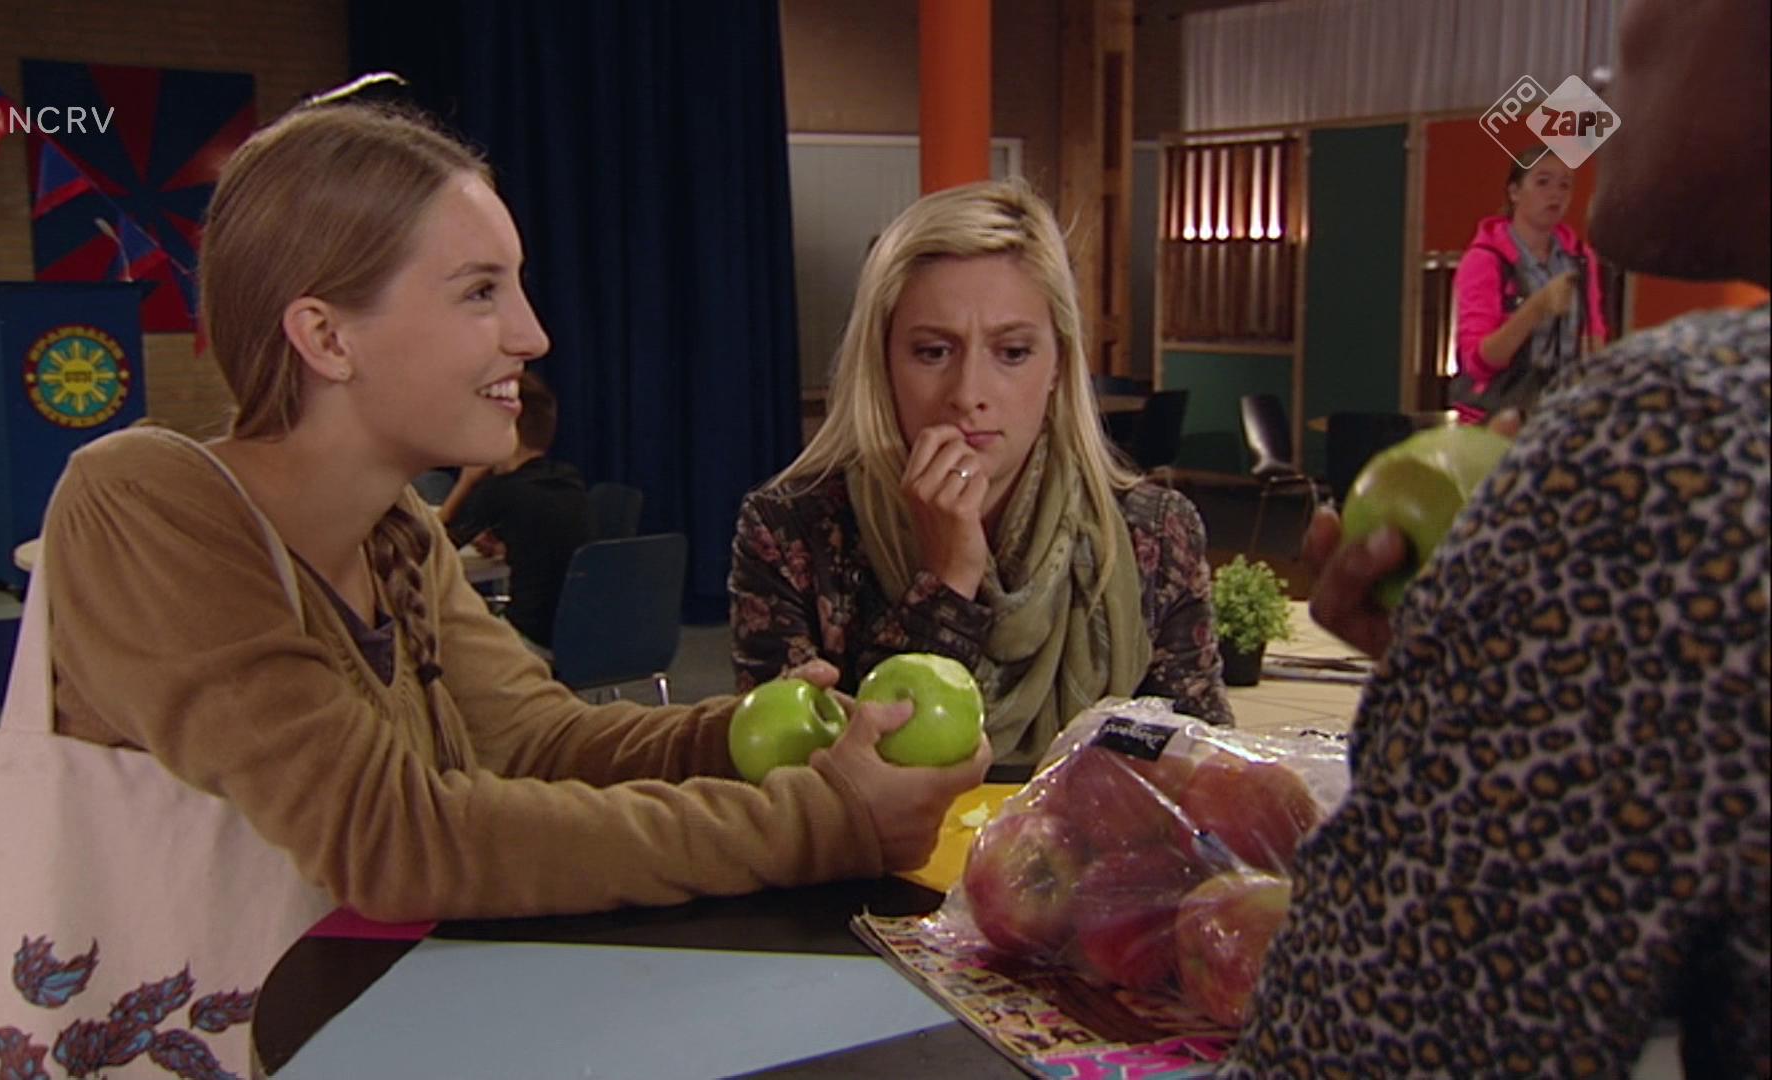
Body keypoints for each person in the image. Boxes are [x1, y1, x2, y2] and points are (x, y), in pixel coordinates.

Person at [38, 99, 990, 922]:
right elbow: (392, 839)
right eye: (480, 292)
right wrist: (825, 820)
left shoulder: (398, 534)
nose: (531, 334)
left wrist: (763, 736)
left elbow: (543, 743)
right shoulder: (142, 503)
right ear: (325, 337)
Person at [1223, 1, 1769, 1074]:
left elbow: (1374, 1041)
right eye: (1546, 179)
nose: (1624, 35)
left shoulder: (1679, 437)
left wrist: (1485, 708)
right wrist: (1497, 674)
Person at [729, 180, 1231, 768]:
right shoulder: (790, 529)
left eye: (1012, 352)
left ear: (1058, 365)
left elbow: (1200, 775)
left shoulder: (1156, 531)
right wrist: (946, 584)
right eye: (933, 352)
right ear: (883, 361)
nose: (968, 395)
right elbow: (801, 794)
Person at [1448, 152, 1610, 422]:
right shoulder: (1485, 260)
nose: (1555, 194)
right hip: (1498, 413)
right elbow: (1478, 362)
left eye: (1565, 185)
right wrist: (1536, 308)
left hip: (1563, 410)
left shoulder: (1581, 258)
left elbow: (1593, 335)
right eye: (1543, 182)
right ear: (1515, 192)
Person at [438, 370, 590, 647]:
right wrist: (507, 548)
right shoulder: (569, 479)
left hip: (529, 637)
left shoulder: (500, 490)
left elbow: (429, 549)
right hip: (580, 635)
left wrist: (466, 482)